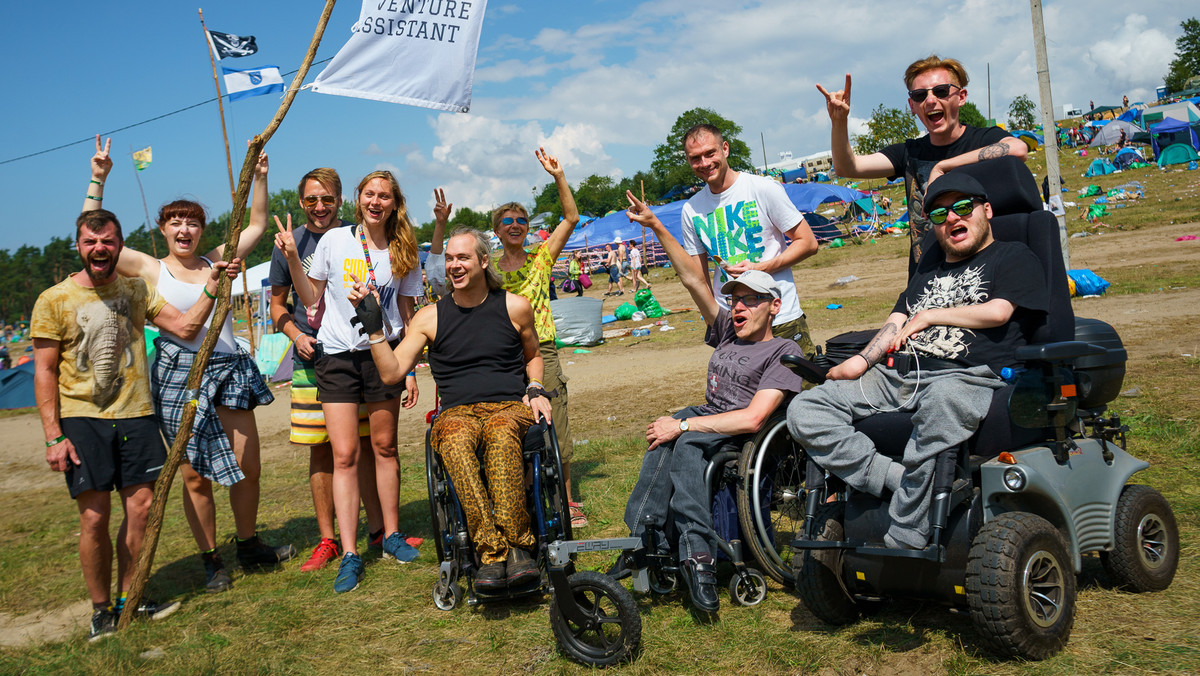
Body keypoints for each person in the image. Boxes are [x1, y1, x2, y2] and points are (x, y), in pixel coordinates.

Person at [786, 173, 1048, 550]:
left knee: (940, 403)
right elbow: (896, 321)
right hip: (900, 375)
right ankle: (895, 479)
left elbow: (998, 312)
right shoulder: (928, 267)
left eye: (962, 208)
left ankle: (905, 537)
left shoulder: (1014, 256)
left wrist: (931, 316)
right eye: (940, 214)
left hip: (967, 375)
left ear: (986, 210)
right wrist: (860, 362)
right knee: (805, 409)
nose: (952, 219)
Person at [84, 136, 293, 594]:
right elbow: (92, 240)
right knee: (194, 473)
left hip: (230, 368)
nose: (184, 229)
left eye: (193, 223)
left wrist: (260, 177)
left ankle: (248, 543)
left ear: (202, 230)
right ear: (162, 229)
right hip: (179, 374)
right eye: (175, 222)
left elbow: (258, 221)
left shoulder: (219, 259)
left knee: (247, 465)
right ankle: (211, 559)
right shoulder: (149, 267)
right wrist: (98, 180)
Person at [32, 210, 239, 640]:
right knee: (93, 518)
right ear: (79, 247)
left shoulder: (135, 289)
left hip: (137, 414)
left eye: (107, 241)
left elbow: (184, 326)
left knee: (141, 510)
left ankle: (131, 598)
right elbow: (45, 372)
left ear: (119, 244)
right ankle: (100, 610)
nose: (99, 249)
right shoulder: (54, 299)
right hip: (82, 419)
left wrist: (212, 290)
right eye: (91, 242)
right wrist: (53, 435)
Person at [613, 192, 808, 612]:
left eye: (750, 300)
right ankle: (642, 540)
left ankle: (697, 557)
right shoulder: (726, 331)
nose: (738, 306)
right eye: (734, 299)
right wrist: (657, 226)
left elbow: (756, 418)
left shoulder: (785, 350)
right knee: (660, 436)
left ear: (774, 306)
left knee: (683, 441)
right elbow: (693, 280)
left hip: (742, 433)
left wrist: (684, 427)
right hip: (709, 417)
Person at [353, 228, 553, 590]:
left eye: (462, 258)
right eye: (449, 259)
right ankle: (490, 553)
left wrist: (536, 387)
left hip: (508, 406)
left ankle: (519, 548)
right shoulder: (429, 317)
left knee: (501, 432)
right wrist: (374, 330)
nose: (454, 265)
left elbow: (534, 356)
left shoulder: (514, 306)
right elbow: (392, 372)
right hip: (457, 411)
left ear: (483, 261)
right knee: (455, 439)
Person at [277, 170, 423, 593]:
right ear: (357, 199)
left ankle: (391, 537)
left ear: (395, 203)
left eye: (384, 196)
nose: (375, 201)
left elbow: (410, 313)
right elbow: (309, 299)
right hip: (338, 357)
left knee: (384, 447)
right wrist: (290, 257)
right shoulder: (334, 241)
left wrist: (410, 368)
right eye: (369, 194)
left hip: (385, 356)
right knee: (343, 456)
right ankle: (351, 553)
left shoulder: (404, 246)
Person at [267, 167, 385, 573]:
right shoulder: (291, 242)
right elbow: (277, 306)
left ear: (340, 201)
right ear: (301, 203)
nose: (320, 207)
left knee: (365, 445)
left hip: (358, 354)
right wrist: (293, 334)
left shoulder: (359, 235)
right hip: (310, 359)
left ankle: (379, 530)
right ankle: (328, 540)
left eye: (327, 199)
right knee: (323, 449)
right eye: (311, 200)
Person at [816, 56, 1029, 268]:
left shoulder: (984, 139)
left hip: (986, 269)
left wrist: (943, 167)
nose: (930, 100)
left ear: (961, 96)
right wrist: (839, 122)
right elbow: (846, 167)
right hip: (929, 277)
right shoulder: (908, 153)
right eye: (919, 95)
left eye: (941, 91)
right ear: (912, 105)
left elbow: (1018, 149)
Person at [488, 148, 587, 527]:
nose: (515, 225)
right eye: (508, 221)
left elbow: (571, 217)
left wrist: (559, 176)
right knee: (510, 426)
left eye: (522, 221)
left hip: (542, 349)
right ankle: (519, 501)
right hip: (502, 354)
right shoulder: (488, 269)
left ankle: (566, 500)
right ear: (496, 231)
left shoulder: (540, 258)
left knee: (556, 424)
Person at [677, 123, 819, 354]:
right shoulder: (691, 210)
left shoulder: (763, 188)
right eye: (695, 158)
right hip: (732, 324)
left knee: (801, 388)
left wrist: (760, 268)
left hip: (779, 318)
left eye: (710, 153)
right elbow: (699, 278)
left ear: (725, 149)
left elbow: (808, 243)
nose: (704, 163)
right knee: (742, 391)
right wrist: (712, 320)